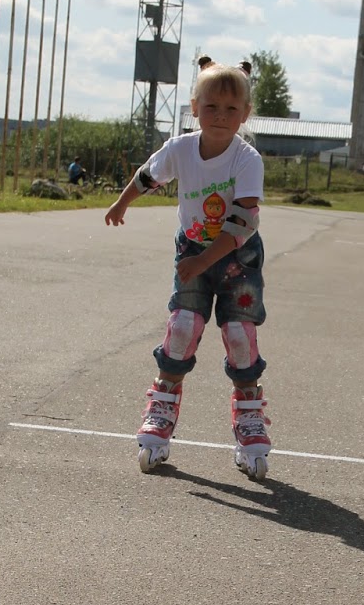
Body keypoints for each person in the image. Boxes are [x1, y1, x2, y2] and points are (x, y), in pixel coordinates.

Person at [105, 64, 270, 479]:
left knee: (239, 335)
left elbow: (243, 222)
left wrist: (201, 261)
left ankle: (249, 417)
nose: (220, 116)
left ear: (245, 113)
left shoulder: (247, 159)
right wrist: (122, 202)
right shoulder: (180, 149)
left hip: (238, 256)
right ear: (194, 108)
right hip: (193, 250)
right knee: (182, 327)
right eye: (211, 106)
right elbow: (148, 176)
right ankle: (161, 408)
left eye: (230, 108)